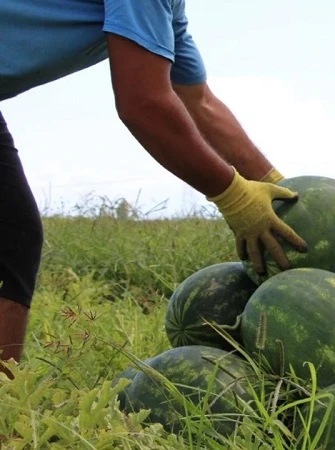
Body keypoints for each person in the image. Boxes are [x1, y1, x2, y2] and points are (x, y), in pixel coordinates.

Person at [0, 0, 308, 379]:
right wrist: (235, 196)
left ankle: (7, 398)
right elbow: (143, 103)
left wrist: (280, 187)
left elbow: (199, 101)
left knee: (12, 238)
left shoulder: (166, 11)